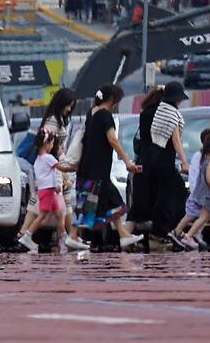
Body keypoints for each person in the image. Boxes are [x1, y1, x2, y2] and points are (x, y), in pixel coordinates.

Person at [70, 84, 143, 249]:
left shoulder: (92, 113)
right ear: (112, 99)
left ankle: (123, 235)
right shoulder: (105, 116)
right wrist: (127, 161)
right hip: (96, 170)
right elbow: (112, 139)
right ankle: (73, 235)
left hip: (91, 168)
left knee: (111, 200)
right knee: (86, 202)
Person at [17, 88, 87, 251]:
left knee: (56, 206)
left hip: (53, 168)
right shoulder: (53, 123)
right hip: (53, 169)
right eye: (68, 106)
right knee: (54, 205)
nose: (69, 109)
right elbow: (51, 147)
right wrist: (62, 173)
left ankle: (65, 236)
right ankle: (68, 236)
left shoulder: (56, 120)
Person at [169, 130, 210, 251]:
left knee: (209, 216)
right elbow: (209, 180)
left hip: (205, 194)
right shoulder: (209, 163)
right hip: (207, 196)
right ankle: (189, 236)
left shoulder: (206, 161)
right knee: (204, 217)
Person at [146, 81, 189, 241]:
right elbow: (176, 140)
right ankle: (164, 230)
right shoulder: (172, 114)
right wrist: (184, 162)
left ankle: (169, 228)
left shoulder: (161, 110)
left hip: (155, 156)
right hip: (165, 159)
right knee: (173, 194)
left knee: (165, 194)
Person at [18, 130, 70, 253]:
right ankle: (27, 236)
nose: (52, 145)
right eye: (51, 143)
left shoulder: (38, 160)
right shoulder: (49, 158)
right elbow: (59, 169)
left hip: (45, 191)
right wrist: (72, 168)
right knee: (42, 216)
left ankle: (63, 238)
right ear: (46, 143)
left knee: (58, 214)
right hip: (49, 191)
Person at [126, 85, 166, 233]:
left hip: (143, 160)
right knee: (159, 200)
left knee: (137, 205)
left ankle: (126, 236)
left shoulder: (145, 113)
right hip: (155, 161)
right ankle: (158, 235)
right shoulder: (160, 115)